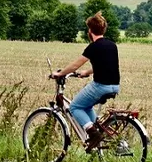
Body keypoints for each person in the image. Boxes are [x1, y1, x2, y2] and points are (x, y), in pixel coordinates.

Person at [51, 11, 120, 152]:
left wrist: (60, 74)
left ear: (90, 31)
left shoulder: (93, 47)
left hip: (101, 86)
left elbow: (75, 65)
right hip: (114, 86)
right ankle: (98, 131)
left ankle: (93, 134)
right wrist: (86, 73)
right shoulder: (112, 45)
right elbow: (104, 65)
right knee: (86, 106)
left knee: (75, 107)